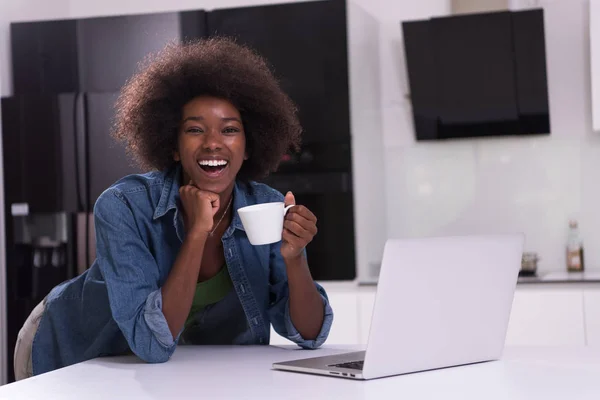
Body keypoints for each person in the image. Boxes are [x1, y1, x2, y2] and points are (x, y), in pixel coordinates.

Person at [13, 37, 333, 380]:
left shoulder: (265, 205)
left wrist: (294, 256)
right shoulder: (123, 206)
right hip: (75, 352)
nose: (213, 142)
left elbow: (310, 335)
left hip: (177, 371)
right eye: (195, 129)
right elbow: (151, 343)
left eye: (229, 130)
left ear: (249, 145)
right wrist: (197, 233)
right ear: (174, 146)